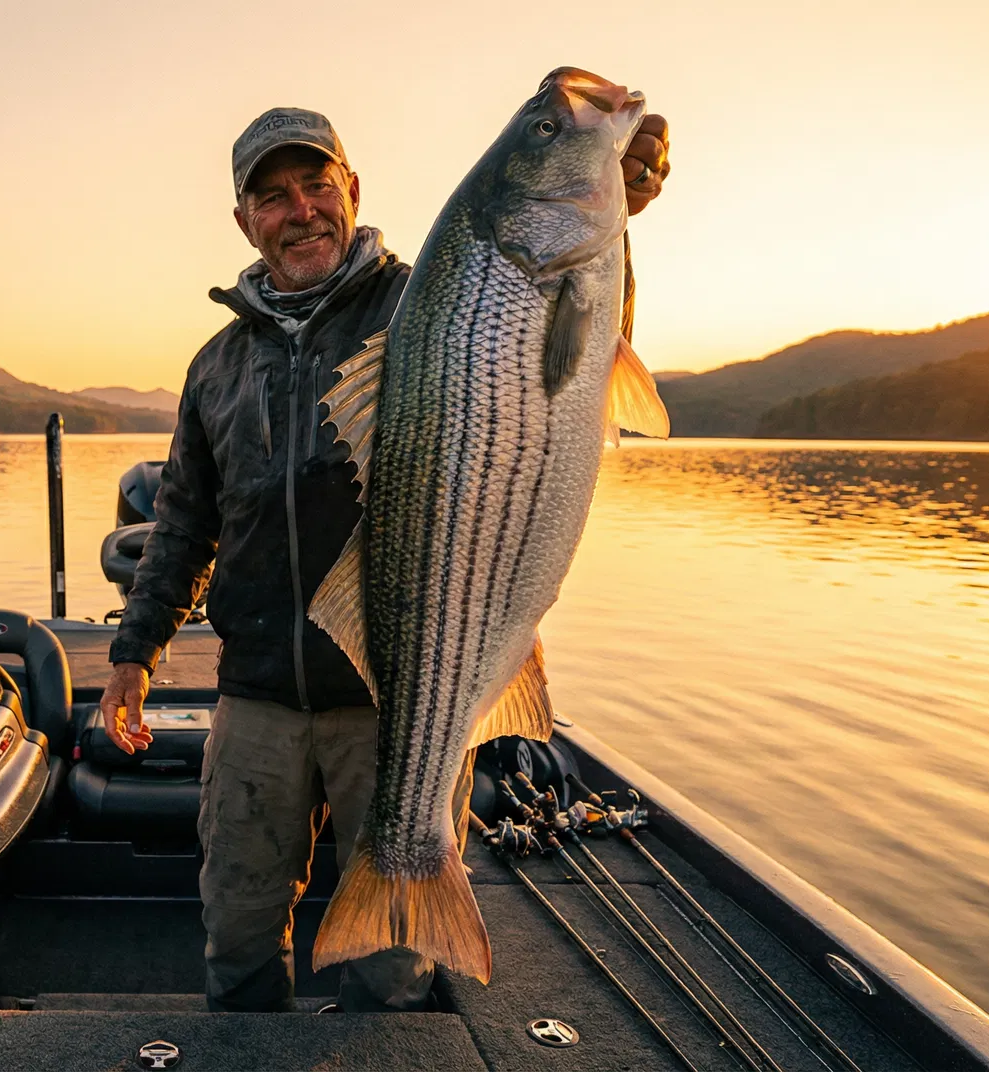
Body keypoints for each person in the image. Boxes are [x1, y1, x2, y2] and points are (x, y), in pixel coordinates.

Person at [100, 98, 670, 1012]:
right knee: (237, 933)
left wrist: (618, 216)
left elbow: (567, 340)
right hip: (256, 698)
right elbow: (181, 524)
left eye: (316, 185)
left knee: (394, 972)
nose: (300, 211)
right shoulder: (215, 365)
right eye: (273, 196)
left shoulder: (433, 302)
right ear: (245, 220)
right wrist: (134, 653)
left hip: (396, 690)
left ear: (351, 190)